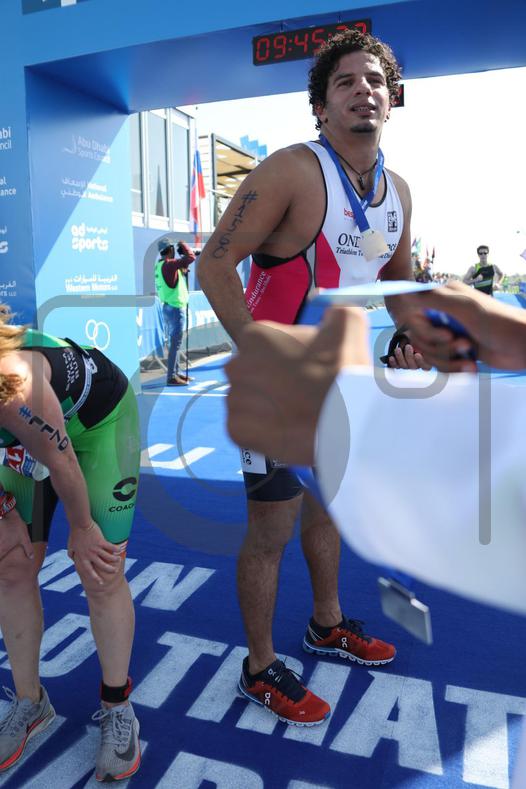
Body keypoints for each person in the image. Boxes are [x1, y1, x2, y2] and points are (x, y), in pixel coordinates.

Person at [198, 28, 425, 726]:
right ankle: (259, 666)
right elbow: (213, 264)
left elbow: (399, 282)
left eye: (375, 80)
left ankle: (326, 624)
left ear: (392, 99)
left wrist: (409, 337)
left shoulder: (397, 191)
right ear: (321, 107)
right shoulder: (293, 171)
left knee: (329, 510)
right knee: (270, 530)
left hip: (344, 384)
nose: (364, 90)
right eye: (345, 82)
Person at [0, 308, 141, 782]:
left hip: (100, 426)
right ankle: (30, 703)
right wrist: (4, 513)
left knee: (100, 568)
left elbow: (61, 463)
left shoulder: (15, 382)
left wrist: (82, 528)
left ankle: (118, 706)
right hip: (32, 438)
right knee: (11, 564)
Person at [155, 238, 196, 386]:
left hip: (168, 307)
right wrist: (183, 244)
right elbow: (191, 257)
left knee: (175, 343)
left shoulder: (160, 265)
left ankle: (176, 373)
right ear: (171, 250)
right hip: (175, 308)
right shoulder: (169, 264)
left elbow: (172, 278)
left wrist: (181, 269)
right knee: (175, 344)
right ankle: (171, 377)